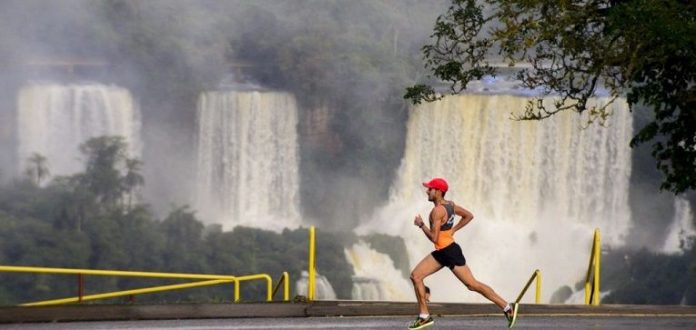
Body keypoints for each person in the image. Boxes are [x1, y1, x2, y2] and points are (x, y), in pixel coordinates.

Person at [408, 178, 519, 329]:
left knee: (472, 285)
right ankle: (424, 316)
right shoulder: (450, 205)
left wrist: (421, 225)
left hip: (449, 252)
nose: (427, 191)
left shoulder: (437, 211)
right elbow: (469, 215)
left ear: (438, 192)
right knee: (416, 276)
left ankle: (507, 307)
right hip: (443, 251)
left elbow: (433, 237)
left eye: (430, 189)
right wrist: (453, 230)